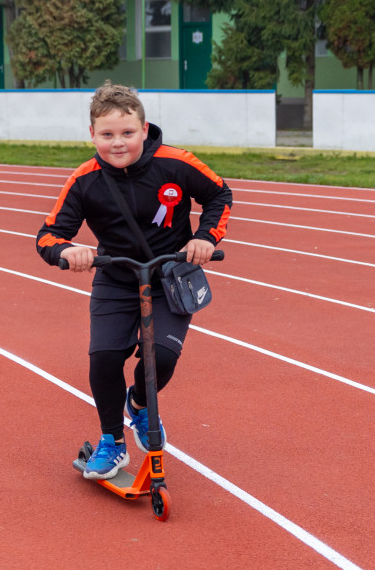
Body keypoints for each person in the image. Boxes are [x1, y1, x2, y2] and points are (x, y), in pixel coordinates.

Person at [36, 82, 232, 480]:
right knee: (104, 358)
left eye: (127, 133)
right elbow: (48, 235)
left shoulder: (177, 163)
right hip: (116, 278)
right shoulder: (85, 179)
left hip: (171, 276)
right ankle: (112, 441)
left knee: (161, 358)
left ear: (145, 129)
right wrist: (66, 252)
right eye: (107, 135)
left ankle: (139, 405)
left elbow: (219, 195)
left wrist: (204, 237)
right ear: (92, 135)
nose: (118, 143)